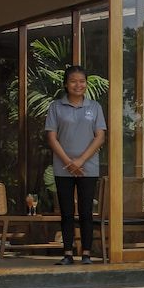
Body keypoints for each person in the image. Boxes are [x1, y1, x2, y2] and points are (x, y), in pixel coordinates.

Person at [45, 65, 107, 265]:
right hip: (63, 168)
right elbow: (52, 137)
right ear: (66, 84)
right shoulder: (56, 107)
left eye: (82, 81)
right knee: (66, 212)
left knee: (86, 212)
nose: (78, 85)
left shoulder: (95, 107)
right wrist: (68, 162)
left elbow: (100, 137)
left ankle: (86, 254)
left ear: (86, 84)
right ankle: (68, 254)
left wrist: (80, 161)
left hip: (88, 167)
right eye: (73, 81)